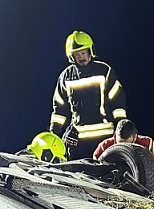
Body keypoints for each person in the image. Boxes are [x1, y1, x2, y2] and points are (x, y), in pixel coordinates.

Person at [49, 31, 128, 160]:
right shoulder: (65, 77)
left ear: (90, 51)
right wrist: (55, 134)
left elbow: (117, 102)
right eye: (77, 54)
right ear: (72, 56)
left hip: (105, 139)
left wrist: (121, 127)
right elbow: (59, 110)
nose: (81, 57)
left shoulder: (104, 71)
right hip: (77, 142)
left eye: (83, 52)